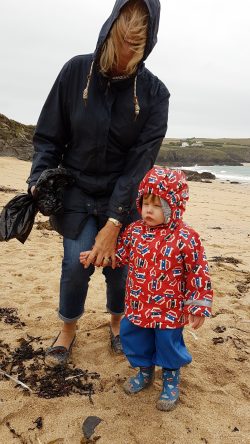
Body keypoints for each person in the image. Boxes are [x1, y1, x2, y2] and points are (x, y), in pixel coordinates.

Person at [26, 0, 170, 365]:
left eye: (134, 53)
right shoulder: (76, 71)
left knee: (121, 264)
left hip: (125, 192)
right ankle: (69, 328)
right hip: (76, 186)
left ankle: (117, 322)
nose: (123, 61)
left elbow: (140, 164)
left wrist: (115, 221)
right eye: (119, 47)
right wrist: (38, 178)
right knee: (77, 261)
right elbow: (48, 137)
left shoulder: (155, 94)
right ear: (107, 33)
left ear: (147, 46)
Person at [80, 166, 213, 411]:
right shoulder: (134, 231)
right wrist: (99, 256)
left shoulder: (186, 237)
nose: (148, 210)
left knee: (168, 343)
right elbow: (120, 256)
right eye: (145, 203)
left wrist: (197, 303)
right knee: (135, 338)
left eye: (157, 205)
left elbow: (198, 272)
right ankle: (145, 371)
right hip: (138, 303)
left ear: (173, 206)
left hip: (169, 308)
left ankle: (170, 378)